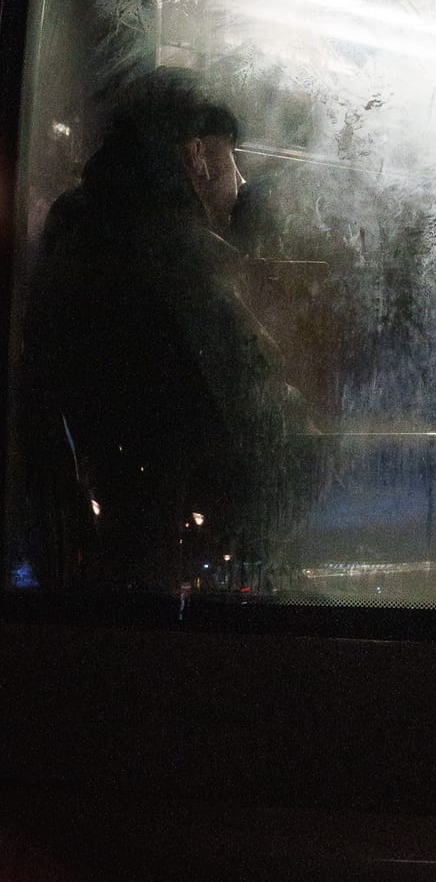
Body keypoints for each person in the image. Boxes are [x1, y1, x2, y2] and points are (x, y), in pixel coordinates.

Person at [14, 67, 302, 594]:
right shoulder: (170, 254)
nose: (238, 180)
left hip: (92, 530)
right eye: (229, 157)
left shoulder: (84, 224)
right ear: (194, 155)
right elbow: (247, 402)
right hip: (153, 550)